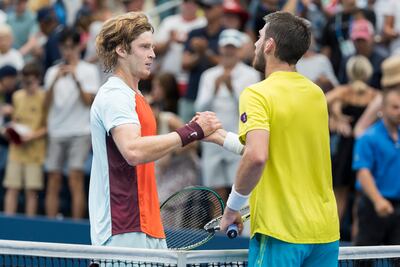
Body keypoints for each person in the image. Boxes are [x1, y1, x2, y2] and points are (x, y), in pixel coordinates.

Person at [209, 11, 340, 266]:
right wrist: (220, 137)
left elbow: (257, 156)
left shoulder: (257, 94)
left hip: (281, 231)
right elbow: (278, 148)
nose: (255, 44)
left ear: (269, 45)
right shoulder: (316, 94)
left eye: (259, 38)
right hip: (324, 233)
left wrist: (232, 208)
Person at [90, 12, 221, 248]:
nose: (152, 53)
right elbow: (133, 151)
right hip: (124, 227)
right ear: (121, 50)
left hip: (148, 225)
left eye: (152, 46)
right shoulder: (115, 95)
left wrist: (198, 132)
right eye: (144, 47)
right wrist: (190, 131)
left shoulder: (136, 96)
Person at [195, 29, 260, 202]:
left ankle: (238, 228)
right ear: (220, 49)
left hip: (238, 138)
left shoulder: (251, 74)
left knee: (239, 186)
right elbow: (200, 107)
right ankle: (219, 229)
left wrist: (232, 89)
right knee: (215, 191)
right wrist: (215, 89)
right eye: (226, 47)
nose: (229, 51)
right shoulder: (209, 76)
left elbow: (252, 109)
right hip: (213, 139)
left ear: (239, 50)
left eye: (232, 47)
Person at [44, 27, 99, 219]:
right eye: (63, 47)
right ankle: (50, 225)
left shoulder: (89, 70)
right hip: (56, 131)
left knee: (75, 179)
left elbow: (88, 101)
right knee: (53, 179)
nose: (67, 51)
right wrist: (54, 82)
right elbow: (45, 104)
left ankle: (74, 226)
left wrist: (76, 79)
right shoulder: (52, 71)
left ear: (78, 46)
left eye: (70, 46)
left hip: (80, 132)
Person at [326, 55, 378, 223]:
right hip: (365, 148)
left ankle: (332, 235)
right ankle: (358, 241)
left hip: (345, 147)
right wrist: (335, 117)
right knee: (360, 197)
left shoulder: (344, 91)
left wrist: (336, 116)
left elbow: (321, 101)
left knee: (339, 195)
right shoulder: (374, 95)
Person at [352, 87, 400, 245]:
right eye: (395, 107)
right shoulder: (368, 137)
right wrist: (378, 200)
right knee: (366, 256)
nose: (399, 111)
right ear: (383, 109)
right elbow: (363, 172)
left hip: (397, 207)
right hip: (374, 207)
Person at [2, 62, 47, 217]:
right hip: (16, 150)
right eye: (25, 80)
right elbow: (16, 120)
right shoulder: (17, 96)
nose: (28, 84)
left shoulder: (44, 97)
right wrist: (11, 129)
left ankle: (29, 228)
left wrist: (32, 136)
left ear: (38, 79)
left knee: (31, 191)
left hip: (35, 152)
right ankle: (7, 225)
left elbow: (48, 127)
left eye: (31, 81)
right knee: (11, 188)